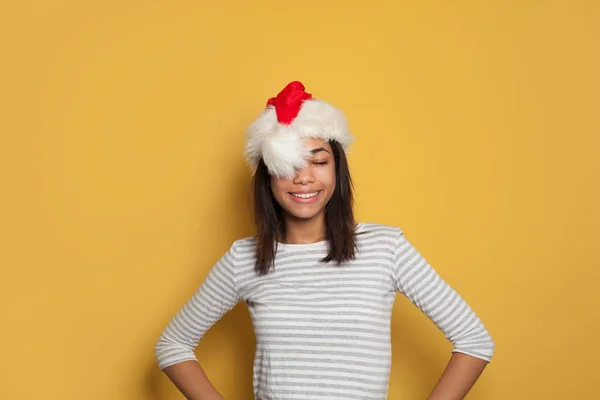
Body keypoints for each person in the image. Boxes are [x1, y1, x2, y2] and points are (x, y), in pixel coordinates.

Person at [155, 81, 495, 400]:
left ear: (337, 170)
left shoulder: (386, 248)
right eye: (288, 165)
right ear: (268, 178)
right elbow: (173, 345)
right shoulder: (242, 259)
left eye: (318, 161)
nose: (304, 177)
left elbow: (474, 340)